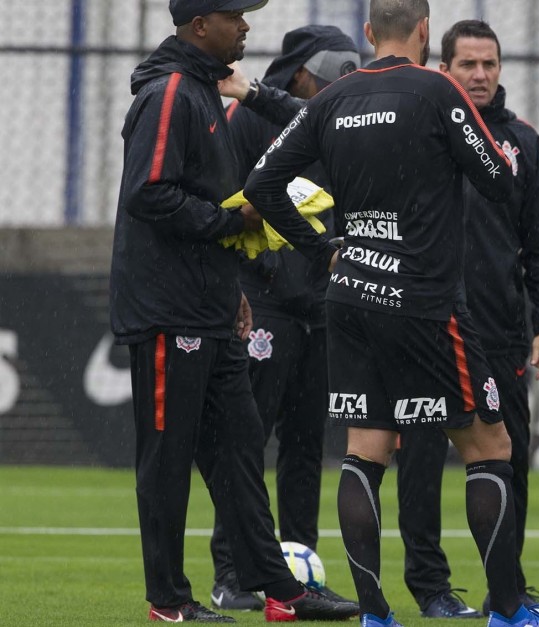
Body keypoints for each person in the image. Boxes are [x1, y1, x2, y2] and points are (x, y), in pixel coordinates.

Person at [243, 2, 539, 627]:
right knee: (489, 445)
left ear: (366, 35)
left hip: (351, 294)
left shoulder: (335, 99)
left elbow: (263, 184)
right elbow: (496, 176)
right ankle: (510, 611)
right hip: (424, 301)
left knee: (366, 450)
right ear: (424, 32)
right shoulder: (436, 89)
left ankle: (376, 614)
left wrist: (321, 247)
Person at [110, 0, 356, 621]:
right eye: (235, 16)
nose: (246, 25)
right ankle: (168, 599)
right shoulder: (170, 94)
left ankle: (282, 590)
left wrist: (232, 286)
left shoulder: (205, 94)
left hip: (211, 308)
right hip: (170, 313)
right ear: (199, 25)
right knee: (168, 460)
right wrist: (228, 222)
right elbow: (149, 192)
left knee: (241, 448)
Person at [394, 19, 539, 620]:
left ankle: (507, 588)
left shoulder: (521, 141)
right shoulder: (418, 132)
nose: (480, 75)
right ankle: (430, 587)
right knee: (419, 462)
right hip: (423, 327)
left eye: (489, 64)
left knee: (509, 458)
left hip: (498, 331)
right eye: (467, 64)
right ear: (444, 70)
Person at [208, 24, 362, 613]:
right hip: (264, 301)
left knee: (305, 447)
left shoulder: (334, 121)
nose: (335, 85)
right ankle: (233, 572)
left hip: (319, 306)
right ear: (299, 72)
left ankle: (298, 575)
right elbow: (230, 202)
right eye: (327, 75)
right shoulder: (249, 119)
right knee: (246, 440)